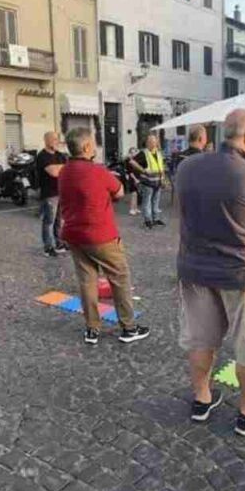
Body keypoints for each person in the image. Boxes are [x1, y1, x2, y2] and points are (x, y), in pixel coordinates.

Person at [175, 109, 245, 437]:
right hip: (241, 272)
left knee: (200, 338)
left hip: (194, 268)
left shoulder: (186, 168)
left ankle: (201, 399)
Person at [58, 128, 149, 345]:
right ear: (86, 147)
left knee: (87, 281)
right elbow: (119, 191)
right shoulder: (97, 171)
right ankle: (128, 327)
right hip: (100, 235)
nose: (95, 146)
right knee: (119, 277)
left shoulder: (64, 171)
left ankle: (92, 329)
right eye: (93, 142)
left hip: (74, 234)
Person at [36, 131, 67, 258]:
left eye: (57, 139)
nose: (56, 141)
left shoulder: (60, 155)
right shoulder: (42, 156)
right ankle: (48, 247)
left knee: (59, 220)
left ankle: (59, 243)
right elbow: (53, 172)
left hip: (61, 191)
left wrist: (59, 167)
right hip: (49, 193)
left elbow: (68, 168)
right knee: (49, 221)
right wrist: (61, 168)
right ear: (46, 140)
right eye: (53, 139)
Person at [130, 133, 166, 229]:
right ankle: (148, 220)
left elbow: (161, 167)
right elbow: (132, 161)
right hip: (148, 182)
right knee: (147, 202)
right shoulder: (144, 153)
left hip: (157, 182)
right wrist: (143, 170)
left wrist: (163, 178)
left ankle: (156, 219)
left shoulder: (158, 153)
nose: (153, 143)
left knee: (155, 202)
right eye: (150, 142)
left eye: (154, 141)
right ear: (147, 143)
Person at [125, 147, 141, 216]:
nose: (133, 153)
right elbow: (130, 172)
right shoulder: (128, 161)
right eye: (132, 152)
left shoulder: (135, 160)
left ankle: (135, 208)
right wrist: (135, 179)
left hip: (137, 178)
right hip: (132, 179)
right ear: (130, 153)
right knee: (133, 194)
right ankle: (131, 209)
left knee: (136, 194)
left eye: (134, 152)